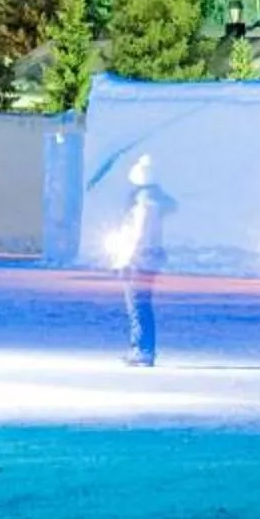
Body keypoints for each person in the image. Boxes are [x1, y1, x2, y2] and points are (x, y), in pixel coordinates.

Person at [113, 153, 174, 366]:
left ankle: (142, 349)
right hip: (148, 259)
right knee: (141, 305)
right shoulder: (153, 203)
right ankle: (141, 347)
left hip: (139, 261)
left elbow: (138, 235)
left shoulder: (144, 205)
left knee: (137, 306)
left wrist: (127, 259)